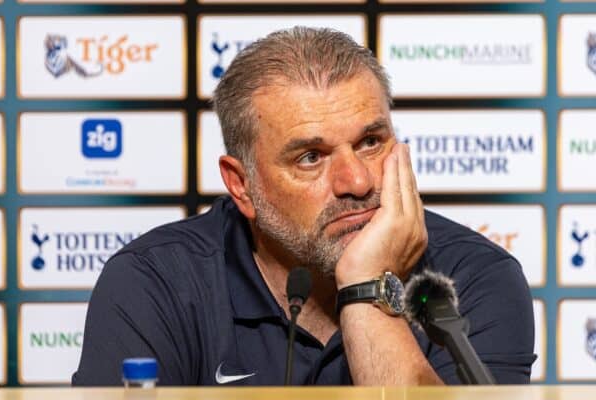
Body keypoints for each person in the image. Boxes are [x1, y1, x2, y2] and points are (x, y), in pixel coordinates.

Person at [72, 27, 535, 386]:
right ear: (241, 185)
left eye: (371, 142)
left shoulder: (469, 279)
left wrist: (368, 287)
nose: (356, 181)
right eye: (311, 157)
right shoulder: (155, 284)